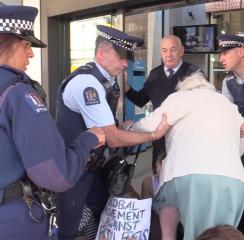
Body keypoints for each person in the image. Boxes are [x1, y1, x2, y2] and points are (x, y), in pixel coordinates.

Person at [0, 5, 106, 240]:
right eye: (26, 45)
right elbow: (56, 174)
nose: (31, 54)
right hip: (14, 222)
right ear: (6, 43)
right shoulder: (18, 94)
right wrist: (87, 141)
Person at [55, 25, 169, 239]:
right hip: (75, 172)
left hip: (95, 168)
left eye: (128, 57)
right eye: (121, 56)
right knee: (68, 229)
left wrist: (119, 127)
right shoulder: (86, 83)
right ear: (101, 53)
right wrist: (154, 135)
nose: (126, 63)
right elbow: (112, 139)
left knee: (100, 221)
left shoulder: (107, 82)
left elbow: (104, 126)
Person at [130, 72, 244, 240]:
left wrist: (129, 129)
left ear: (184, 87)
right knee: (224, 235)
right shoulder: (225, 103)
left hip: (189, 175)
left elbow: (151, 124)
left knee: (181, 219)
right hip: (232, 179)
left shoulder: (179, 98)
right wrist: (231, 155)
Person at [125, 34, 202, 174]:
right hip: (159, 139)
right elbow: (141, 100)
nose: (169, 54)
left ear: (181, 51)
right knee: (159, 179)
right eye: (164, 50)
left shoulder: (194, 73)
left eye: (173, 49)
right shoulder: (155, 74)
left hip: (185, 139)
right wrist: (126, 88)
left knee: (182, 179)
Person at [218, 34, 244, 231]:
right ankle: (241, 230)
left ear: (241, 52)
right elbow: (228, 114)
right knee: (237, 187)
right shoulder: (227, 81)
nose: (221, 58)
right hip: (243, 143)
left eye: (225, 53)